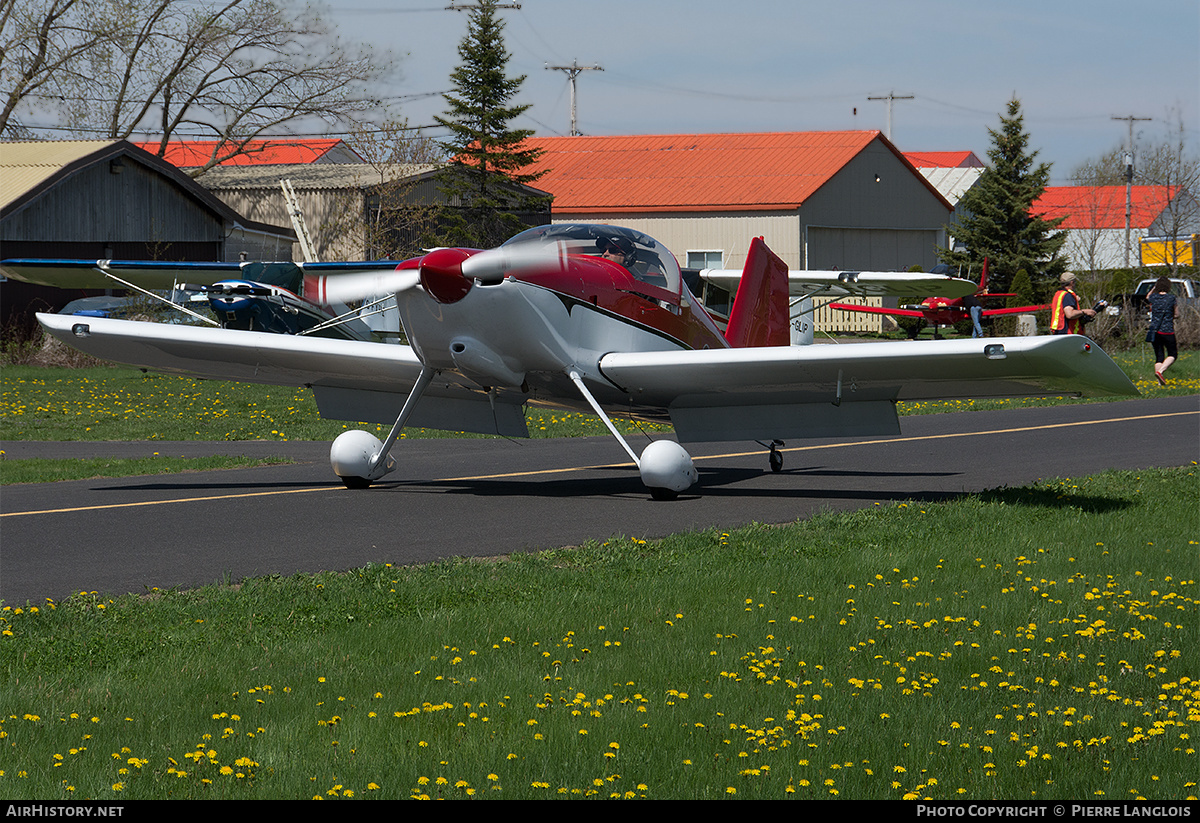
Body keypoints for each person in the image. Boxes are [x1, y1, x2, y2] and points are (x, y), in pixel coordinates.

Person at [1145, 276, 1179, 385]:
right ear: (1169, 287)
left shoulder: (1154, 298)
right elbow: (1177, 314)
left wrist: (1155, 287)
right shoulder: (1171, 298)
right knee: (1173, 354)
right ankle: (1160, 371)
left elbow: (1148, 296)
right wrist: (1171, 316)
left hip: (1155, 330)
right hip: (1167, 330)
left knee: (1159, 356)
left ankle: (1160, 383)